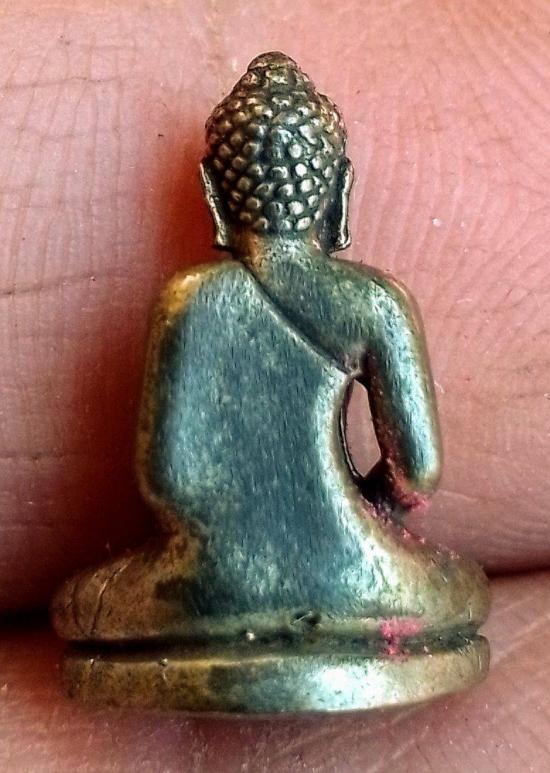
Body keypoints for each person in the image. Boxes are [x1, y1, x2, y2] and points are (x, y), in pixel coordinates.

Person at [51, 53, 488, 711]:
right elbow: (417, 473)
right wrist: (366, 519)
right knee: (465, 589)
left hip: (208, 587)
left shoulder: (189, 300)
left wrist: (224, 545)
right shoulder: (376, 303)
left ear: (213, 194)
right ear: (339, 191)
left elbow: (168, 479)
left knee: (82, 605)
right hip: (360, 578)